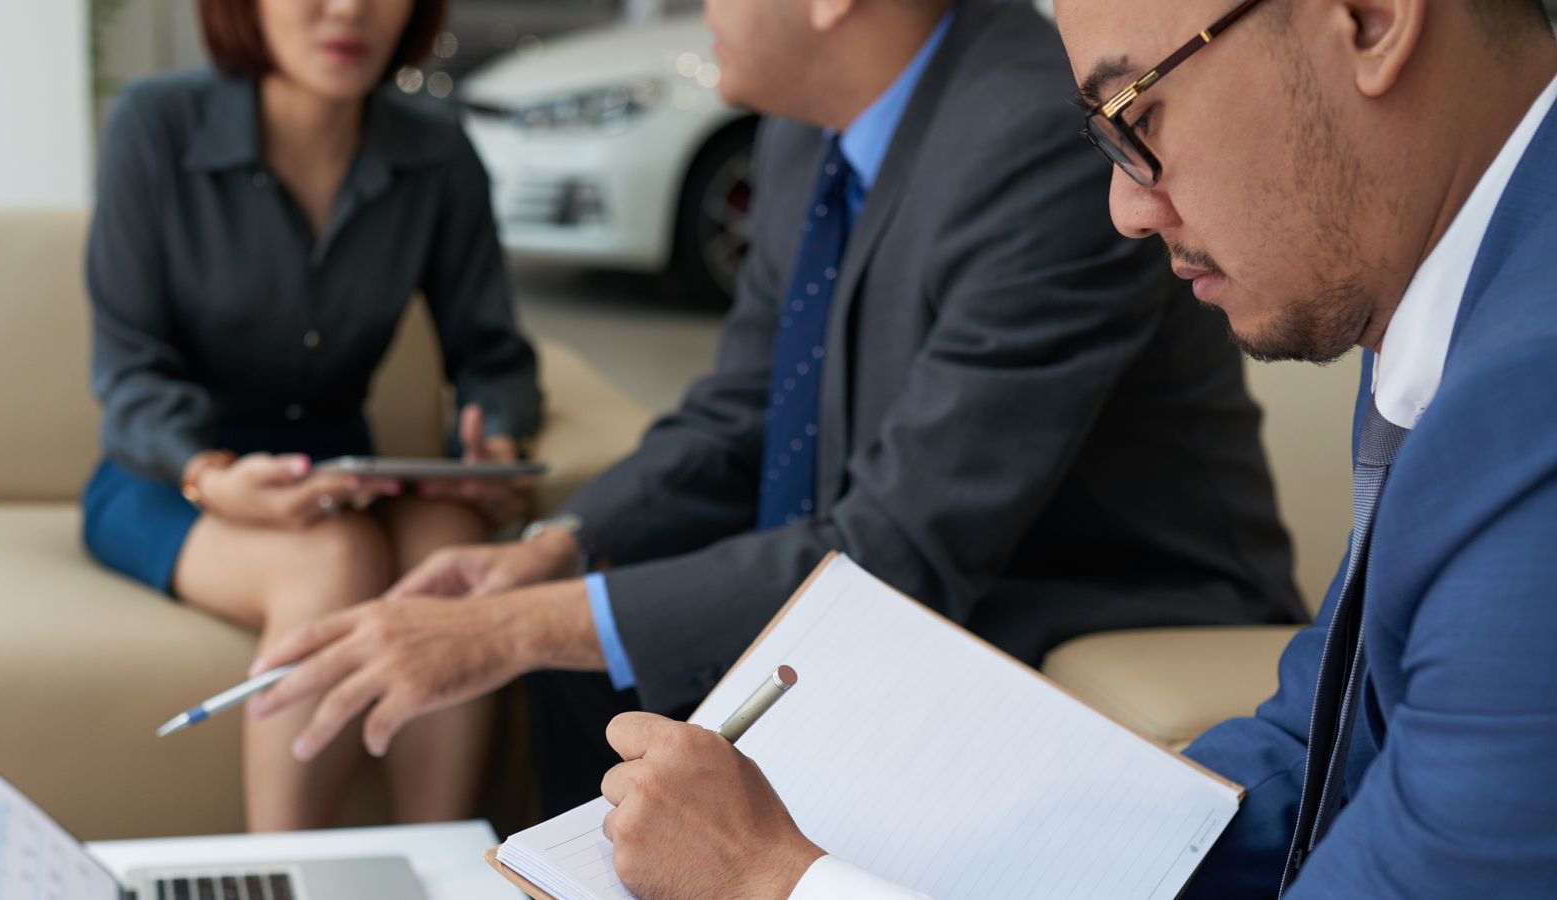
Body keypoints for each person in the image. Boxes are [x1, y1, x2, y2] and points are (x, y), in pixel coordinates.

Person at [544, 0, 1557, 895]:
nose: (1124, 207)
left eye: (1138, 115)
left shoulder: (1527, 409)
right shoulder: (1458, 314)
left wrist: (780, 886)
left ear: (1370, 18)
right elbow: (1313, 752)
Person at [246, 0, 1306, 819]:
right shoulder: (809, 128)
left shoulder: (1037, 137)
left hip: (1070, 589)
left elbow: (904, 546)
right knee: (586, 675)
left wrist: (506, 630)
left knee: (585, 658)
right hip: (908, 556)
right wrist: (558, 549)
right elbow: (740, 407)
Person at [83, 0, 542, 831]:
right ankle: (283, 874)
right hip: (170, 474)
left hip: (338, 471)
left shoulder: (436, 151)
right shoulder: (156, 125)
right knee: (330, 560)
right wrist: (210, 477)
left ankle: (439, 872)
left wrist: (493, 434)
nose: (348, 9)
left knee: (449, 554)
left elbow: (492, 353)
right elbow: (129, 371)